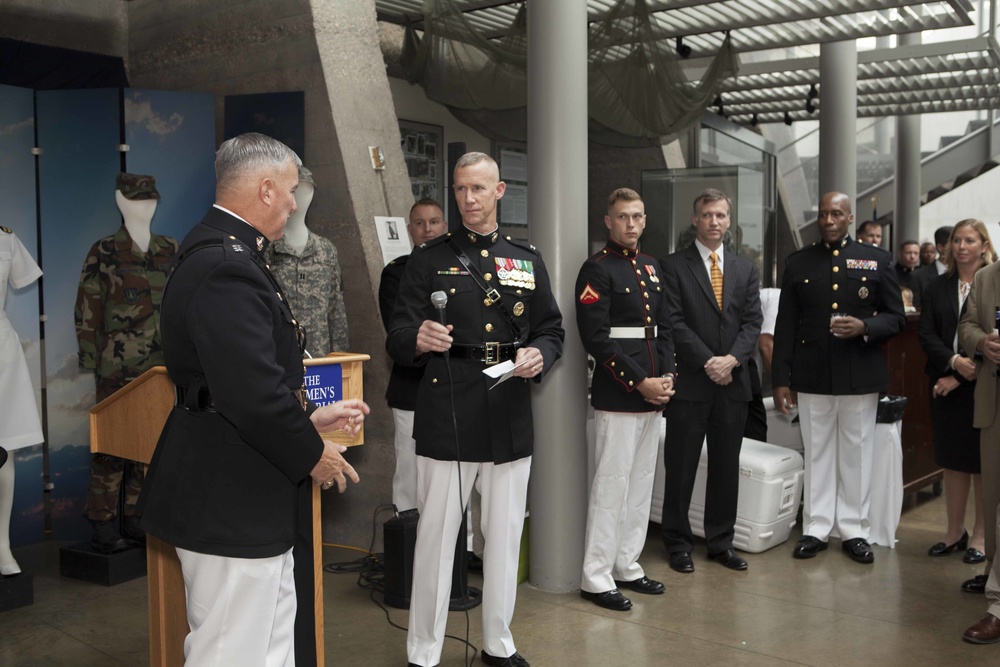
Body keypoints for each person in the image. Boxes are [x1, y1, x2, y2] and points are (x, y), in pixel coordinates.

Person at [137, 133, 367, 667]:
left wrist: (311, 415)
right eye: (289, 191)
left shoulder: (229, 251)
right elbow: (252, 395)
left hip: (245, 488)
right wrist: (313, 451)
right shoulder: (225, 264)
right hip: (227, 493)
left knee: (269, 645)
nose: (293, 203)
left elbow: (241, 377)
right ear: (265, 190)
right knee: (232, 652)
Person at [387, 152, 564, 667]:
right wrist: (417, 339)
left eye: (479, 189)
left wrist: (541, 354)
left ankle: (498, 644)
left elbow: (551, 328)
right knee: (437, 544)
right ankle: (423, 651)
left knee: (504, 540)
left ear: (500, 191)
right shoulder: (427, 258)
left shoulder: (526, 259)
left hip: (508, 408)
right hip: (447, 410)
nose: (468, 199)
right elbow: (397, 336)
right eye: (461, 189)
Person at [773, 191, 905, 564]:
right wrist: (781, 377)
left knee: (856, 452)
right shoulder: (799, 263)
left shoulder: (876, 260)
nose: (828, 220)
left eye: (836, 214)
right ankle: (815, 527)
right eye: (823, 214)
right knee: (817, 452)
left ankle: (854, 529)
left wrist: (865, 325)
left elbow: (896, 316)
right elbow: (786, 325)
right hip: (812, 374)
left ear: (850, 218)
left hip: (859, 372)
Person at [576, 188, 674, 612]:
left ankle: (626, 564)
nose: (631, 224)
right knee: (611, 487)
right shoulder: (596, 269)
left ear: (645, 220)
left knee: (640, 486)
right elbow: (597, 339)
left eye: (637, 216)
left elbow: (665, 327)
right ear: (608, 222)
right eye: (622, 217)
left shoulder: (652, 266)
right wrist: (640, 384)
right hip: (619, 393)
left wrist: (668, 377)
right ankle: (596, 577)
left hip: (656, 391)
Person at [658, 188, 762, 574]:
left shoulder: (745, 268)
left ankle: (720, 542)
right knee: (681, 467)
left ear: (729, 221)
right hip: (691, 384)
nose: (714, 221)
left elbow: (753, 322)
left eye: (720, 215)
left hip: (732, 385)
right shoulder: (672, 266)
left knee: (725, 468)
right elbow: (672, 323)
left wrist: (732, 360)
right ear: (695, 219)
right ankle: (678, 543)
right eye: (707, 215)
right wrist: (709, 362)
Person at [75, 173, 178, 554]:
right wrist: (90, 357)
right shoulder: (103, 251)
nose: (145, 206)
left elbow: (182, 304)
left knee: (151, 442)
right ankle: (102, 521)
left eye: (150, 200)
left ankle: (137, 517)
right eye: (136, 200)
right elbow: (87, 308)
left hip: (161, 365)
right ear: (121, 202)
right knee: (111, 445)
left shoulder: (169, 248)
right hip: (117, 367)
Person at [919, 220, 994, 568]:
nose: (962, 246)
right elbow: (927, 333)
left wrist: (962, 375)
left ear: (983, 245)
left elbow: (988, 337)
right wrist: (951, 364)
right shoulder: (937, 285)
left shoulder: (991, 281)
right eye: (956, 240)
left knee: (981, 465)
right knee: (952, 462)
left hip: (983, 384)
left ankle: (980, 536)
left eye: (969, 240)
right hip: (943, 381)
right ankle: (953, 532)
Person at [380, 199, 448, 514]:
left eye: (434, 222)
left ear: (445, 226)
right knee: (409, 470)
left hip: (453, 383)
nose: (427, 229)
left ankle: (468, 547)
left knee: (457, 474)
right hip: (412, 387)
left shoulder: (459, 269)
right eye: (419, 223)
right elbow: (402, 331)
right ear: (409, 230)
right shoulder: (396, 274)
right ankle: (405, 541)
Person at [959, 224, 1000, 640]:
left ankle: (998, 603)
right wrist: (982, 344)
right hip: (993, 405)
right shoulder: (987, 278)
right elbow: (966, 326)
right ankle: (993, 567)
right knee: (993, 496)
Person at [265, 165, 349, 356]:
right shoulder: (267, 248)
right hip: (278, 356)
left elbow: (336, 310)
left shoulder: (326, 249)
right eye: (296, 190)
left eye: (306, 190)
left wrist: (341, 358)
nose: (301, 197)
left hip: (319, 356)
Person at [0, 225, 44, 577]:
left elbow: (21, 276)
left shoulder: (5, 238)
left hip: (1, 353)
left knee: (5, 451)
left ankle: (2, 543)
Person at [912, 226, 953, 309]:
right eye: (955, 242)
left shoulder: (966, 274)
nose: (961, 247)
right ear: (940, 248)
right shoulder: (918, 276)